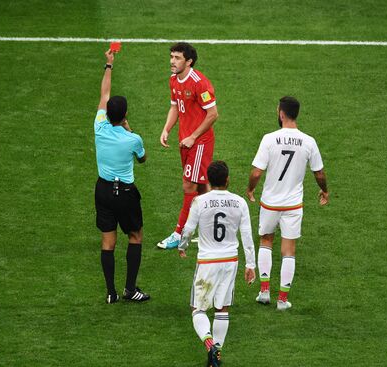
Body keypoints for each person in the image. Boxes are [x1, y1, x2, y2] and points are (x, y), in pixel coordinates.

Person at [246, 96, 329, 311]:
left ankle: (264, 291)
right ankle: (282, 300)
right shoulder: (309, 141)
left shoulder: (269, 139)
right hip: (293, 206)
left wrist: (250, 188)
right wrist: (325, 190)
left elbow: (256, 171)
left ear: (281, 113)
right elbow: (319, 173)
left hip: (270, 203)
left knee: (265, 241)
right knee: (288, 250)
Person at [179, 161, 256, 367]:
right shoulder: (239, 202)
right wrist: (251, 265)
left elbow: (188, 229)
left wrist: (182, 246)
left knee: (198, 309)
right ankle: (217, 354)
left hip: (207, 261)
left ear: (209, 181)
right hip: (230, 261)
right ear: (227, 179)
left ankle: (210, 345)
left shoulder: (200, 201)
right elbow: (247, 235)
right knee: (222, 309)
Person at [94, 48, 150, 304]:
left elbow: (104, 93)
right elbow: (142, 158)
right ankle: (130, 289)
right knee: (135, 235)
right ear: (125, 115)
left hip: (103, 191)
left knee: (108, 241)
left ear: (107, 113)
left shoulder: (99, 126)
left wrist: (109, 65)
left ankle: (110, 292)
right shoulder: (133, 139)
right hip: (125, 193)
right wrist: (130, 130)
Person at [157, 42, 219, 249]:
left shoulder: (200, 83)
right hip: (185, 141)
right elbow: (175, 106)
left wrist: (193, 137)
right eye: (171, 57)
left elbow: (213, 114)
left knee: (189, 185)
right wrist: (167, 129)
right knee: (202, 187)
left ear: (189, 61)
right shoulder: (174, 80)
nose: (172, 61)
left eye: (177, 58)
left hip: (199, 142)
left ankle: (179, 233)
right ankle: (212, 231)